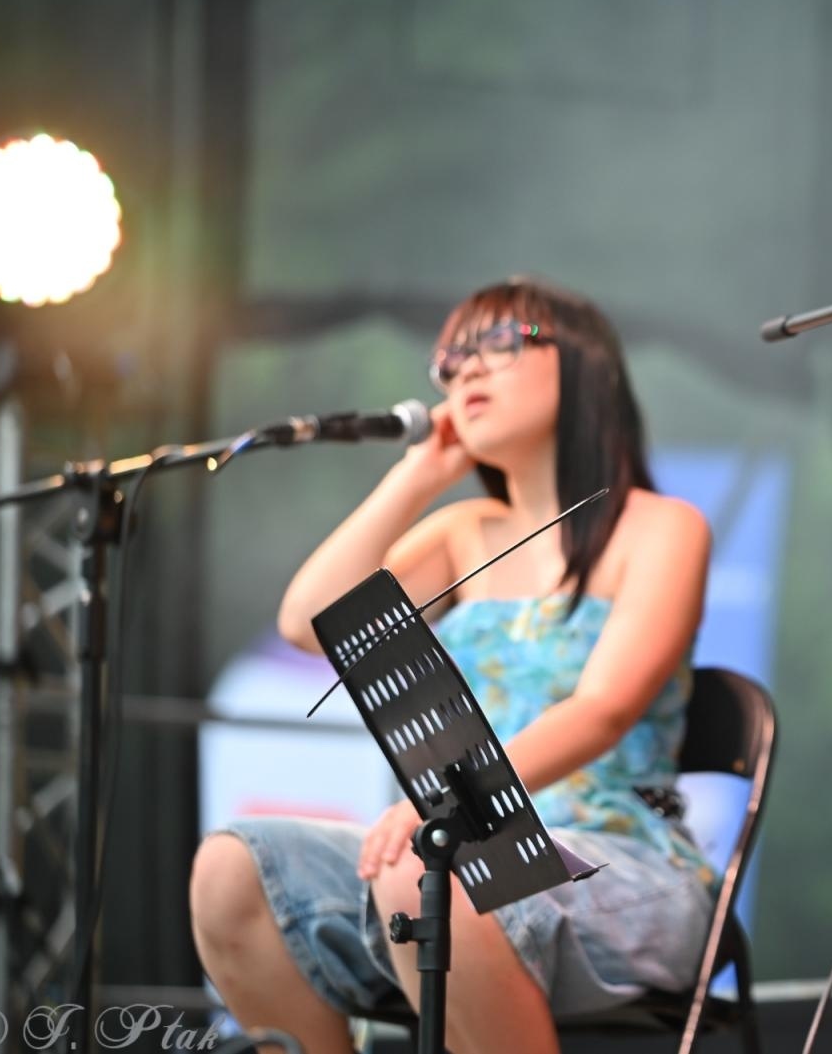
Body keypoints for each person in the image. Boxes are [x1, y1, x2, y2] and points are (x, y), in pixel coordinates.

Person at [189, 276, 717, 1054]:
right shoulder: (466, 532)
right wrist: (418, 475)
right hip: (456, 848)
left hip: (618, 860)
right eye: (451, 359)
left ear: (584, 366)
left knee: (428, 870)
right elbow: (307, 622)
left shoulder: (661, 527)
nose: (466, 369)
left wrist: (458, 806)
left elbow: (603, 707)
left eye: (499, 343)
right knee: (231, 869)